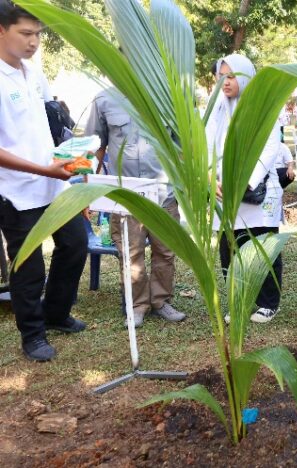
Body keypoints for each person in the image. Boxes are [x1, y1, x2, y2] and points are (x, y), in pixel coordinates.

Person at [0, 1, 87, 361]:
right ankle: (33, 334)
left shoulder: (33, 72)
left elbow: (51, 123)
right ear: (1, 31)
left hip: (55, 184)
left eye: (38, 33)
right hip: (16, 192)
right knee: (28, 265)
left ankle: (56, 314)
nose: (34, 41)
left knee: (76, 245)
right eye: (26, 33)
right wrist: (43, 170)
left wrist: (73, 156)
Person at [85, 89, 186, 327]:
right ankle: (138, 305)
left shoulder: (166, 95)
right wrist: (87, 189)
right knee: (130, 254)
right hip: (126, 197)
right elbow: (95, 147)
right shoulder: (104, 100)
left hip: (164, 193)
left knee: (165, 251)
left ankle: (161, 301)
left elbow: (181, 148)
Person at [206, 53, 284, 324]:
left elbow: (270, 148)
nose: (225, 83)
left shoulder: (263, 106)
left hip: (257, 191)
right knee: (231, 248)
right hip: (222, 190)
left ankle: (267, 303)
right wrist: (209, 176)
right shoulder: (216, 107)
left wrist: (242, 183)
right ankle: (237, 301)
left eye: (231, 76)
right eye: (221, 77)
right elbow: (206, 144)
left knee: (263, 245)